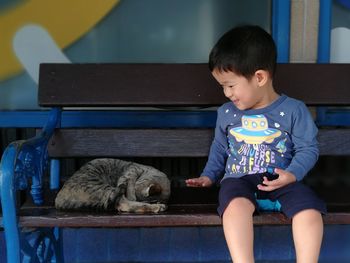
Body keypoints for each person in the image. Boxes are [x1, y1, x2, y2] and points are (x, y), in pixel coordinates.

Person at [186, 25, 326, 263]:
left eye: (231, 85)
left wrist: (292, 175)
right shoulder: (227, 114)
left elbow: (308, 149)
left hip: (281, 181)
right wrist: (208, 176)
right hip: (239, 181)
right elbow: (220, 149)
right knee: (235, 208)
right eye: (222, 86)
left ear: (259, 77)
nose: (226, 93)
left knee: (310, 212)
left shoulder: (294, 110)